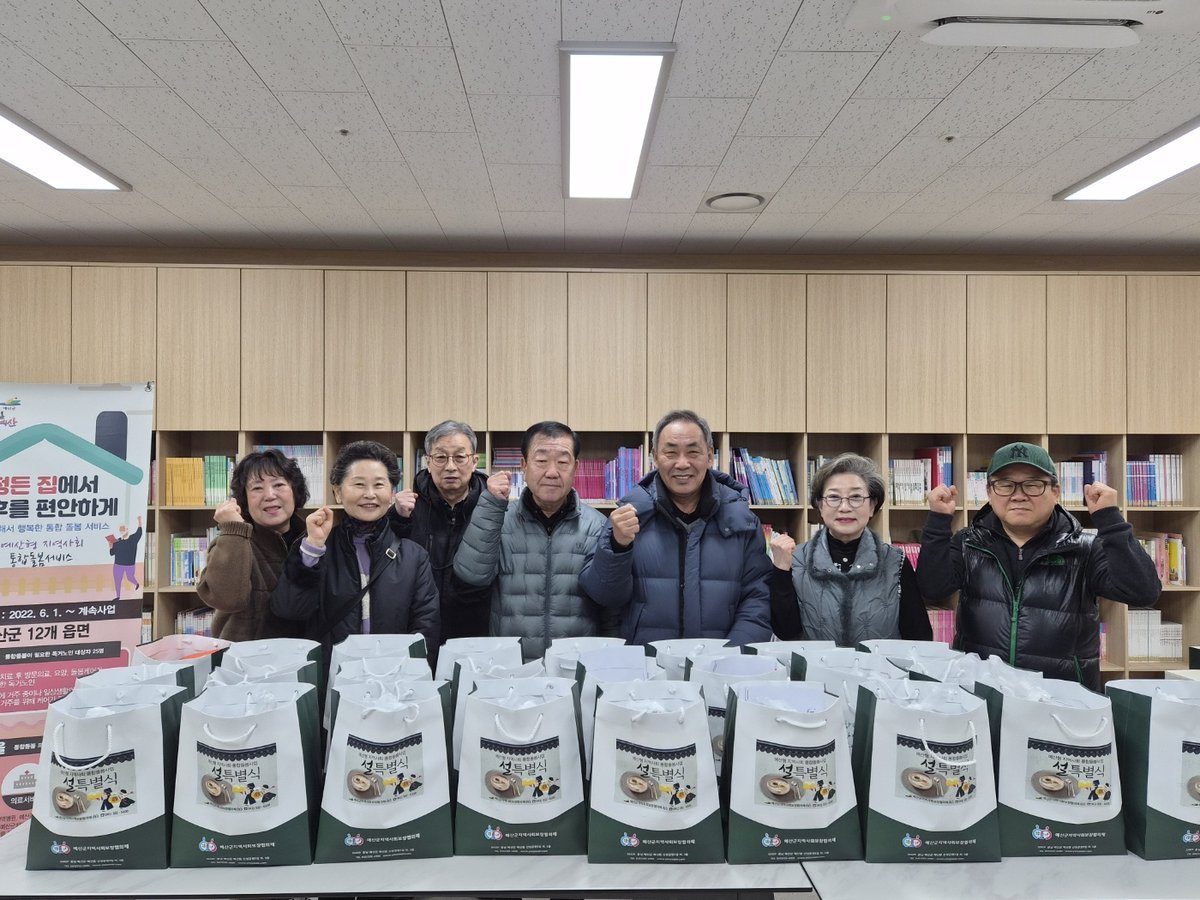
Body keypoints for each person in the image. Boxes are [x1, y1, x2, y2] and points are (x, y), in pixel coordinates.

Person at [918, 441, 1159, 688]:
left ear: (1056, 491)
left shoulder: (1086, 548)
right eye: (1005, 484)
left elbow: (1142, 592)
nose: (1018, 495)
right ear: (989, 493)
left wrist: (1110, 520)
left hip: (1062, 697)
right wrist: (938, 521)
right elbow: (932, 589)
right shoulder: (968, 543)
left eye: (1033, 484)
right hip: (982, 692)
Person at [579, 409, 771, 646]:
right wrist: (617, 546)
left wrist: (730, 656)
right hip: (647, 663)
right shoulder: (628, 517)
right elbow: (604, 596)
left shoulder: (742, 521)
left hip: (720, 662)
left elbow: (757, 601)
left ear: (709, 455)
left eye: (693, 452)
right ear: (655, 456)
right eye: (670, 453)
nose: (682, 463)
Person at [453, 421, 608, 661]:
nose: (552, 472)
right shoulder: (498, 518)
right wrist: (490, 506)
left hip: (574, 664)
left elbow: (609, 603)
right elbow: (472, 574)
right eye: (541, 460)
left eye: (563, 462)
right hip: (511, 664)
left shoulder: (597, 526)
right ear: (524, 465)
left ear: (575, 468)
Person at [271, 440, 438, 658]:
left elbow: (426, 626)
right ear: (338, 492)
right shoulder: (316, 548)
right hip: (333, 672)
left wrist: (410, 669)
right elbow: (289, 610)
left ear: (391, 492)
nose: (370, 494)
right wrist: (312, 550)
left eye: (379, 485)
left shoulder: (414, 556)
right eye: (359, 484)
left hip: (394, 673)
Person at [768, 453, 932, 644]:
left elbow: (919, 638)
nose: (844, 507)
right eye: (833, 497)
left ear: (872, 506)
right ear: (820, 506)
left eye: (856, 497)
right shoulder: (795, 560)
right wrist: (781, 571)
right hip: (815, 664)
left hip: (879, 664)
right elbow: (786, 632)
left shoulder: (895, 561)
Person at [391, 421, 491, 667]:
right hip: (418, 628)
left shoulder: (491, 509)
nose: (450, 466)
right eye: (441, 457)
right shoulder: (407, 508)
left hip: (477, 631)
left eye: (459, 457)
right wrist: (397, 518)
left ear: (474, 461)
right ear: (427, 461)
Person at [197, 449, 309, 641]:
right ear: (244, 499)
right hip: (243, 657)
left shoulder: (313, 541)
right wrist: (233, 529)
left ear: (294, 491)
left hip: (304, 654)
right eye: (257, 488)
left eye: (279, 484)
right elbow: (226, 600)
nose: (269, 495)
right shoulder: (234, 541)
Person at [109, 515, 142, 601]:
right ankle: (118, 596)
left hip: (129, 564)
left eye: (123, 529)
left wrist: (139, 520)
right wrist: (111, 547)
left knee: (130, 577)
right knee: (117, 580)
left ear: (127, 529)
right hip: (118, 565)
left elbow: (139, 532)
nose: (122, 531)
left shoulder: (133, 538)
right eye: (120, 530)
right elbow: (112, 553)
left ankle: (136, 583)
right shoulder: (116, 541)